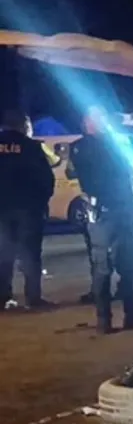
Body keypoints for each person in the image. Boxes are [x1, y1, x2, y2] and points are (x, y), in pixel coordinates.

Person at [71, 106, 133, 333]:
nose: (103, 121)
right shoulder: (83, 147)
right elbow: (92, 176)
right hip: (104, 212)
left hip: (124, 209)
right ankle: (104, 319)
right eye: (98, 118)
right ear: (87, 122)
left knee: (130, 264)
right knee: (103, 267)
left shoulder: (117, 143)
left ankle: (131, 316)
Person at [0, 108, 56, 310]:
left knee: (2, 255)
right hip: (28, 210)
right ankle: (33, 299)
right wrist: (40, 203)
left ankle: (2, 297)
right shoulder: (32, 147)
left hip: (1, 211)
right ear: (23, 125)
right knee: (30, 255)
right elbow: (46, 179)